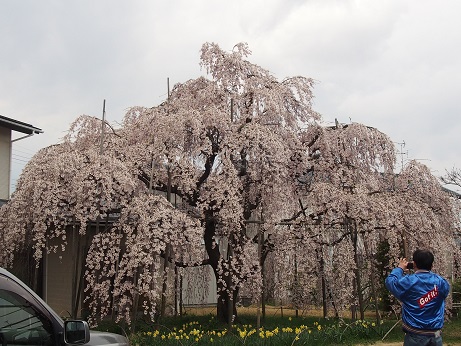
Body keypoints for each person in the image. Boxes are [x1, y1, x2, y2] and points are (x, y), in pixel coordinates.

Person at [385, 249, 450, 346]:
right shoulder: (441, 283)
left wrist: (400, 269)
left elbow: (390, 282)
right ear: (432, 265)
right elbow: (444, 293)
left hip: (414, 335)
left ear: (414, 264)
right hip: (435, 334)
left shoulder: (408, 282)